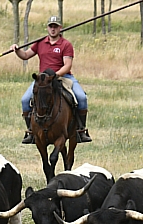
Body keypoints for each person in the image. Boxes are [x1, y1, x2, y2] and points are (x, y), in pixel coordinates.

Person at [12, 15, 90, 144]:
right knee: (25, 100)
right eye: (51, 26)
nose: (53, 29)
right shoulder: (40, 43)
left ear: (60, 28)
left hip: (63, 77)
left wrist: (55, 75)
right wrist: (17, 50)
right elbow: (25, 55)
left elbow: (67, 65)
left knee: (81, 98)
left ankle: (80, 130)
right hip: (43, 80)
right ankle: (31, 132)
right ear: (47, 28)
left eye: (55, 26)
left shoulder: (66, 44)